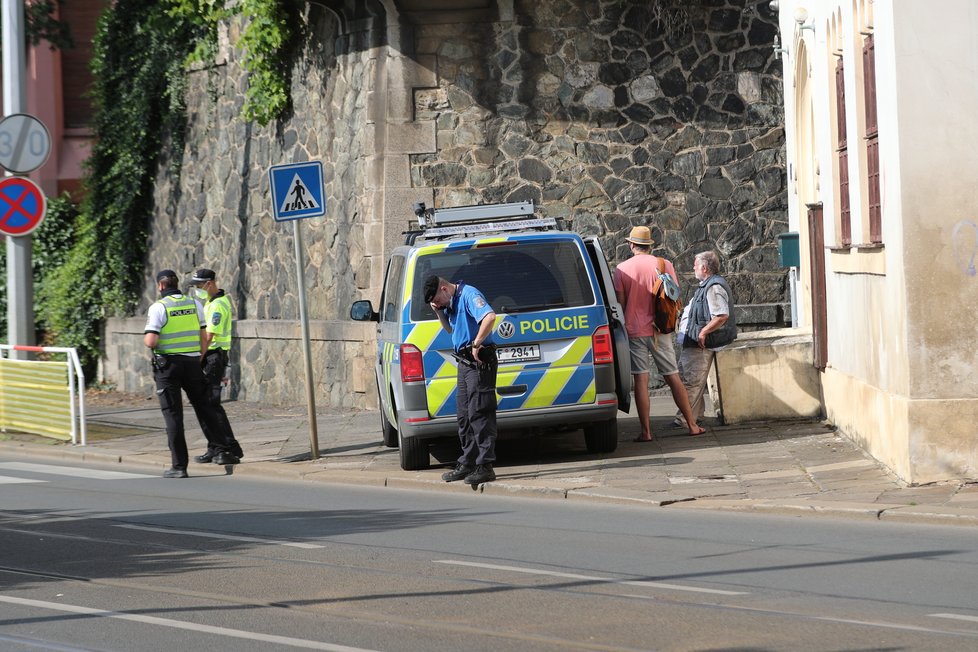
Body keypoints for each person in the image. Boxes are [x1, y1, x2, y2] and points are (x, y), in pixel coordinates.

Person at [612, 226, 705, 441]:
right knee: (672, 376)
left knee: (641, 380)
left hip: (634, 330)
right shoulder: (665, 264)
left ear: (631, 245)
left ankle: (646, 432)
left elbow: (621, 303)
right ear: (650, 245)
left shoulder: (622, 269)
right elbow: (673, 295)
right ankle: (691, 425)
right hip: (660, 329)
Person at [143, 270, 240, 478]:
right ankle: (220, 448)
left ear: (160, 286)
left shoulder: (159, 307)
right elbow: (204, 336)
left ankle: (179, 466)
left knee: (173, 414)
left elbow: (151, 341)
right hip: (193, 362)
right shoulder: (194, 304)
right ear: (177, 283)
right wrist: (199, 356)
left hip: (168, 366)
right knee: (204, 406)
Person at [424, 275, 499, 485]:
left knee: (480, 412)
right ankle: (468, 462)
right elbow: (450, 329)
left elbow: (490, 317)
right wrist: (439, 312)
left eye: (438, 300)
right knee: (464, 416)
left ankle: (485, 466)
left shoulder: (469, 294)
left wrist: (476, 343)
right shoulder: (451, 302)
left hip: (478, 360)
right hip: (464, 363)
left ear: (445, 289)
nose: (438, 304)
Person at [675, 251, 737, 428]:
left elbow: (721, 315)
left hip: (701, 343)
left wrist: (703, 333)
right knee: (692, 381)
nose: (693, 267)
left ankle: (685, 419)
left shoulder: (713, 287)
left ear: (704, 267)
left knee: (690, 381)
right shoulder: (707, 285)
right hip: (694, 340)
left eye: (695, 264)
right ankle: (694, 415)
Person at [189, 268, 244, 463]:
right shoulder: (211, 302)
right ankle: (216, 446)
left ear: (209, 283)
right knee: (209, 405)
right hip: (213, 357)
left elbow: (209, 336)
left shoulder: (218, 305)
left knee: (211, 404)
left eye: (198, 286)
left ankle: (227, 446)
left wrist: (198, 358)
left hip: (213, 357)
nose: (197, 289)